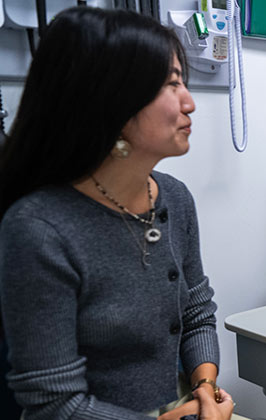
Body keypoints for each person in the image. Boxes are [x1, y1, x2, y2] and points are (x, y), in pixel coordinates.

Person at [0, 7, 233, 420]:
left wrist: (205, 390)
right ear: (112, 102)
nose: (190, 103)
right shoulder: (39, 230)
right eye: (170, 84)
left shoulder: (174, 199)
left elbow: (196, 312)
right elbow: (54, 405)